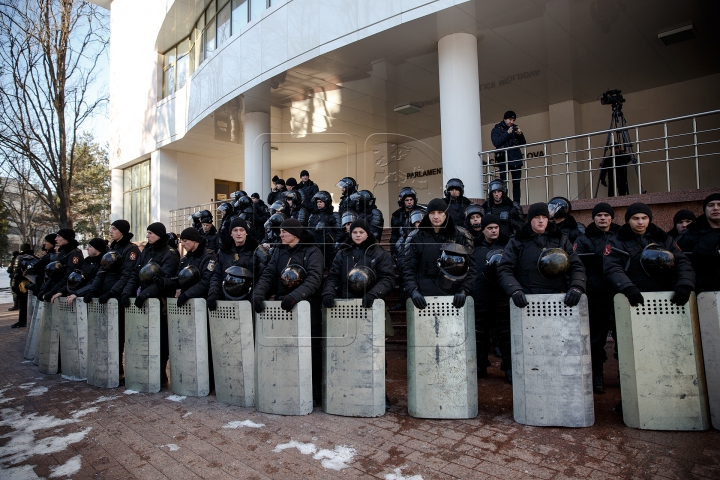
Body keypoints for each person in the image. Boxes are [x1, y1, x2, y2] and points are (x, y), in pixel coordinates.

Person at [604, 202, 695, 415]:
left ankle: (666, 396)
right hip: (632, 303)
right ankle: (629, 396)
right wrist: (627, 288)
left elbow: (682, 263)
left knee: (663, 350)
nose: (640, 222)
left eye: (644, 218)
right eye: (635, 218)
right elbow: (612, 267)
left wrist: (684, 285)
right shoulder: (617, 241)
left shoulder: (665, 239)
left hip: (664, 303)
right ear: (628, 220)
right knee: (629, 354)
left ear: (649, 220)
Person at [497, 203, 587, 377]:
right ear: (530, 220)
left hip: (558, 300)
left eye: (544, 217)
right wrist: (514, 290)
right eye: (537, 218)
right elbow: (505, 269)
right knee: (530, 344)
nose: (540, 221)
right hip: (527, 300)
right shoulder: (517, 240)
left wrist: (577, 286)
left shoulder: (561, 239)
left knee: (556, 343)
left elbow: (576, 266)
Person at [252, 218, 324, 405]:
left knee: (312, 353)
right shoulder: (279, 251)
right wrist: (258, 294)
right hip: (284, 308)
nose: (280, 234)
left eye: (284, 231)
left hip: (308, 309)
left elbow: (315, 279)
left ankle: (315, 390)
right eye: (280, 231)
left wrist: (296, 295)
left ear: (295, 234)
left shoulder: (313, 251)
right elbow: (268, 274)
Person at [122, 222, 180, 386]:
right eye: (147, 233)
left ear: (159, 235)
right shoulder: (146, 251)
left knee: (160, 341)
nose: (147, 236)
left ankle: (160, 375)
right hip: (143, 301)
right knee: (142, 338)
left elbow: (165, 280)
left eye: (150, 233)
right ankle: (141, 372)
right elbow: (136, 274)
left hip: (160, 303)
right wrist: (127, 292)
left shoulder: (170, 254)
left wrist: (146, 294)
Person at [83, 220, 141, 383]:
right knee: (108, 334)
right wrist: (93, 290)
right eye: (110, 229)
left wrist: (112, 292)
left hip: (118, 298)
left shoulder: (131, 250)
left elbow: (128, 275)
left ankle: (122, 371)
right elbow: (102, 272)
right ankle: (113, 367)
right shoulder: (113, 248)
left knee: (121, 335)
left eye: (114, 229)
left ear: (122, 231)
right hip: (105, 296)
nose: (110, 232)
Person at [574, 203, 620, 394]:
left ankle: (624, 372)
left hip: (619, 292)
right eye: (599, 215)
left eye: (606, 215)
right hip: (596, 294)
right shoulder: (584, 239)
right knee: (596, 339)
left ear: (612, 218)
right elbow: (578, 265)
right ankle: (597, 375)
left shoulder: (620, 236)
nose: (603, 218)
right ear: (593, 218)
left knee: (622, 337)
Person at [403, 198, 476, 310]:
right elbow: (409, 269)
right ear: (428, 215)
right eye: (432, 213)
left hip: (454, 297)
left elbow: (471, 269)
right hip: (424, 298)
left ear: (446, 214)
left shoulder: (460, 236)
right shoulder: (416, 237)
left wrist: (463, 290)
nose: (436, 217)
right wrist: (413, 290)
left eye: (440, 213)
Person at [323, 218, 395, 308]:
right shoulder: (342, 253)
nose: (358, 235)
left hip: (372, 304)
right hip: (346, 304)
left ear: (367, 234)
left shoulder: (379, 253)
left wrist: (373, 294)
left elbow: (387, 278)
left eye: (361, 232)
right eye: (354, 232)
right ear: (350, 234)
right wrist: (329, 292)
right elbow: (333, 277)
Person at [472, 214, 511, 380]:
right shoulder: (474, 247)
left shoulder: (507, 245)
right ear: (483, 230)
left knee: (505, 334)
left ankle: (508, 368)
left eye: (496, 227)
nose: (494, 231)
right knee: (480, 334)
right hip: (481, 295)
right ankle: (480, 366)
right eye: (490, 228)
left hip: (502, 295)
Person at [207, 217, 268, 310]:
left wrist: (257, 295)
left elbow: (264, 277)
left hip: (250, 300)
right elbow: (217, 275)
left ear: (246, 232)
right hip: (227, 299)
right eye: (235, 230)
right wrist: (213, 294)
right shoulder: (223, 251)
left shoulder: (258, 251)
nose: (238, 233)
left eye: (241, 230)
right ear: (231, 233)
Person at [677, 193, 720, 294]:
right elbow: (679, 263)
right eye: (711, 205)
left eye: (719, 205)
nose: (716, 208)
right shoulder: (689, 235)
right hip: (702, 292)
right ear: (705, 209)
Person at [52, 237, 108, 305]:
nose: (87, 248)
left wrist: (77, 293)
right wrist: (62, 291)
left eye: (90, 246)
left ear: (97, 249)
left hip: (93, 301)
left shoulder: (102, 264)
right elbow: (77, 280)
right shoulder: (86, 262)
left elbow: (94, 282)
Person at [491, 111, 526, 203]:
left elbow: (523, 143)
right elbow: (496, 142)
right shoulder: (497, 129)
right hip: (504, 159)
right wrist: (507, 133)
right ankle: (504, 202)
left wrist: (520, 135)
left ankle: (516, 203)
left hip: (516, 158)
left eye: (513, 120)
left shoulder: (515, 128)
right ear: (505, 119)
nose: (512, 122)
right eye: (510, 119)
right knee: (503, 183)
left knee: (517, 183)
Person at [41, 229, 84, 302]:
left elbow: (69, 276)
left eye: (59, 236)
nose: (56, 239)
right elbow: (53, 273)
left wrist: (55, 291)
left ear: (66, 238)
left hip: (64, 293)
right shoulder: (63, 252)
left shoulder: (74, 254)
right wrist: (44, 289)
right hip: (56, 289)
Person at [307, 190, 341, 269]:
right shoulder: (313, 216)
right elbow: (309, 230)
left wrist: (326, 229)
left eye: (321, 202)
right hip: (315, 247)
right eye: (317, 202)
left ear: (327, 202)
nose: (319, 204)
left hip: (328, 249)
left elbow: (339, 232)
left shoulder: (333, 215)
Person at [10, 243, 34, 328]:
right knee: (24, 302)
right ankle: (24, 320)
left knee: (23, 302)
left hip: (21, 282)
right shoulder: (30, 257)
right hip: (25, 282)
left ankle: (23, 320)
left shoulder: (19, 257)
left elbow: (15, 271)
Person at [390, 187, 418, 259]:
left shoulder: (420, 212)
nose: (409, 202)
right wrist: (393, 251)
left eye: (411, 199)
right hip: (402, 248)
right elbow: (394, 234)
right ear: (403, 201)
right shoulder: (396, 215)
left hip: (417, 246)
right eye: (407, 200)